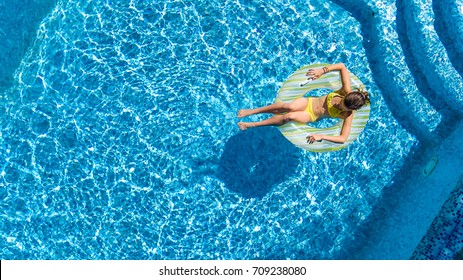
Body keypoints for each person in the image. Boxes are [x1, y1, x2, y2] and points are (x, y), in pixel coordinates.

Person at [237, 63, 369, 144]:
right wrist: (322, 71)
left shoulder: (347, 115)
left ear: (351, 109)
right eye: (341, 102)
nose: (339, 105)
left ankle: (253, 124)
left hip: (312, 115)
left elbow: (343, 139)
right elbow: (342, 66)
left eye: (342, 107)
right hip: (309, 102)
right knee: (289, 107)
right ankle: (253, 111)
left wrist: (321, 136)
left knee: (290, 116)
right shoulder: (345, 91)